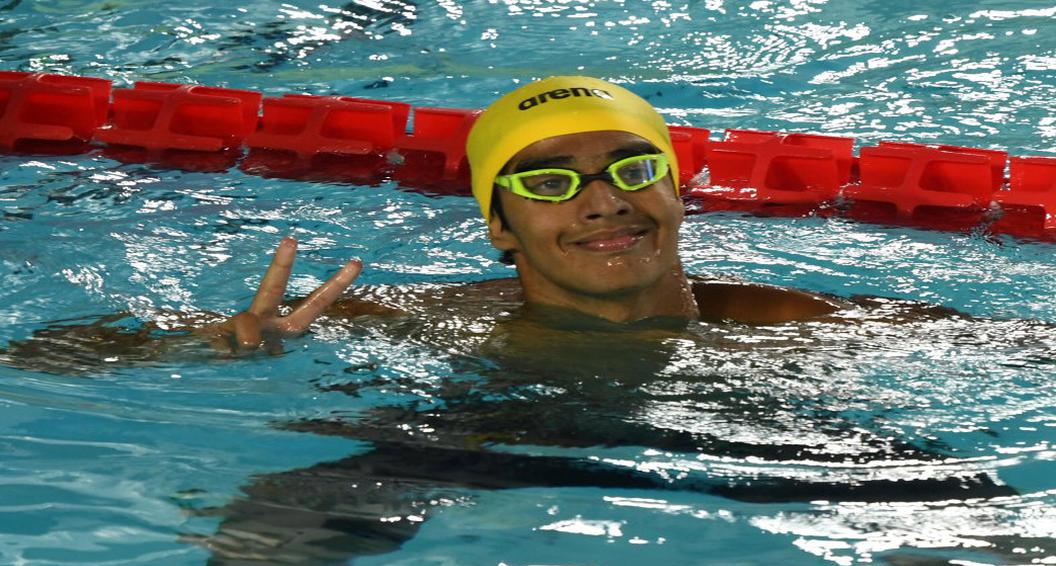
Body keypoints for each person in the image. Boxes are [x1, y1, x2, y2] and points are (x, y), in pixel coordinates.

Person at [207, 75, 849, 353]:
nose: (605, 203)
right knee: (275, 537)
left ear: (676, 195)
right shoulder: (396, 323)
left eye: (636, 169)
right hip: (486, 440)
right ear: (499, 226)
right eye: (549, 183)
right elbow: (112, 352)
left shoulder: (808, 324)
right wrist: (227, 348)